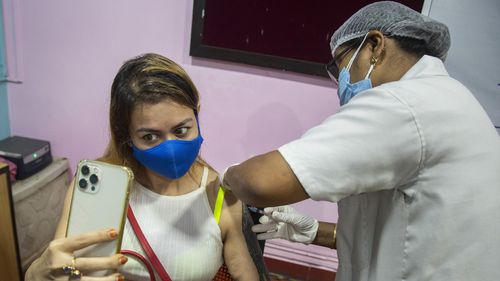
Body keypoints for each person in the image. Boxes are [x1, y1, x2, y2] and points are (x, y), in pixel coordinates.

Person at [221, 2, 500, 281]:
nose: (343, 81)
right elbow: (413, 228)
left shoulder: (401, 104)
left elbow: (262, 182)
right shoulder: (448, 96)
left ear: (375, 46)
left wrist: (227, 177)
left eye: (342, 66)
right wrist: (317, 232)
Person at [25, 53, 263, 281]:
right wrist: (38, 273)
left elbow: (243, 273)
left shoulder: (218, 192)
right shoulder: (100, 188)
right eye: (150, 136)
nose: (171, 149)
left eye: (182, 130)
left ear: (197, 117)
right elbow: (61, 267)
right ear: (126, 135)